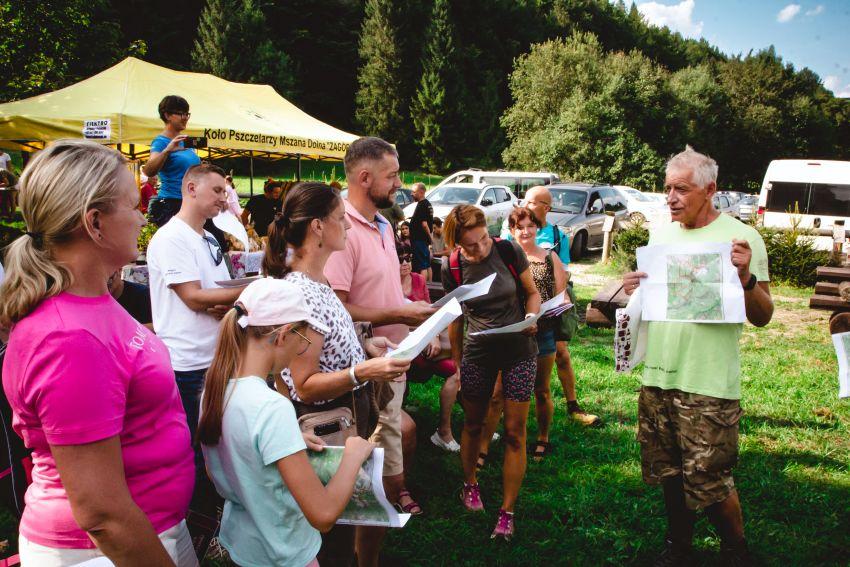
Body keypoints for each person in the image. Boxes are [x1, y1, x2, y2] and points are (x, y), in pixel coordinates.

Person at [0, 139, 196, 565]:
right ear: (95, 222)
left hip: (144, 532)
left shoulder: (92, 303)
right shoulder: (68, 339)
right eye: (133, 206)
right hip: (106, 551)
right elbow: (102, 514)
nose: (142, 217)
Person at [622, 146, 773, 566]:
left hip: (707, 381)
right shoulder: (661, 236)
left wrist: (746, 278)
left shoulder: (741, 239)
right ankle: (679, 548)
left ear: (710, 190)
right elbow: (655, 301)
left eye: (681, 189)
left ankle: (736, 553)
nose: (671, 198)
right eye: (667, 188)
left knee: (709, 479)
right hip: (658, 377)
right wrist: (635, 289)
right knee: (669, 472)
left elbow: (763, 316)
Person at [263, 180, 412, 566]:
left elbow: (328, 345)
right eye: (340, 218)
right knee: (334, 542)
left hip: (347, 419)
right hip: (327, 429)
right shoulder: (302, 293)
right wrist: (364, 370)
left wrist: (365, 346)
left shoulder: (319, 280)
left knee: (345, 529)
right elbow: (304, 385)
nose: (347, 225)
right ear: (317, 227)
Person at [199, 277, 377, 567]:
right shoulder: (273, 408)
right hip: (286, 552)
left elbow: (219, 469)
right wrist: (353, 456)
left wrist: (287, 442)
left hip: (244, 546)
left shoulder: (214, 391)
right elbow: (323, 515)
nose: (301, 351)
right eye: (303, 342)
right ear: (283, 336)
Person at [324, 137, 437, 566]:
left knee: (385, 458)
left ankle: (367, 546)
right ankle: (358, 550)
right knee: (373, 468)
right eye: (392, 176)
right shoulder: (341, 227)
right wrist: (398, 313)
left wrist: (417, 316)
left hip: (393, 359)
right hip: (363, 369)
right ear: (364, 177)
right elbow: (336, 306)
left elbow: (386, 291)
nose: (399, 183)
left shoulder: (386, 226)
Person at [442, 204, 541, 541]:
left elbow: (532, 292)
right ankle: (470, 484)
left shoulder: (508, 250)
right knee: (473, 424)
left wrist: (531, 317)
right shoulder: (453, 266)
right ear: (457, 243)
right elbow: (456, 318)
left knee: (515, 432)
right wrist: (457, 364)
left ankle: (507, 510)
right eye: (472, 245)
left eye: (484, 239)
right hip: (478, 353)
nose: (481, 248)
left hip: (519, 351)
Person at [146, 163, 245, 443]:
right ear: (191, 188)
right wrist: (252, 289)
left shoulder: (209, 237)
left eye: (224, 192)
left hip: (217, 358)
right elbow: (193, 297)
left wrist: (229, 307)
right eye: (217, 190)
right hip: (188, 364)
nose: (223, 199)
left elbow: (215, 292)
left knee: (218, 445)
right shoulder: (171, 237)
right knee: (197, 448)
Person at [502, 186, 600, 426]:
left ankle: (573, 405)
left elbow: (563, 272)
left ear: (545, 207)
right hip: (518, 316)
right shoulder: (512, 230)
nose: (525, 204)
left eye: (531, 202)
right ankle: (506, 413)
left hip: (549, 313)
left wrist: (556, 299)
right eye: (525, 201)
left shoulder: (558, 236)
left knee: (561, 354)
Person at [508, 207, 567, 462]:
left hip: (543, 332)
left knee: (541, 390)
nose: (525, 231)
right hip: (512, 334)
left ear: (537, 228)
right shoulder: (506, 258)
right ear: (512, 230)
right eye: (519, 227)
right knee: (505, 391)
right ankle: (509, 436)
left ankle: (543, 437)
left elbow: (561, 295)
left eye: (530, 226)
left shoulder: (550, 257)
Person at [398, 245, 461, 452]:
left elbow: (430, 313)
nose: (405, 263)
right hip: (403, 344)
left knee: (457, 370)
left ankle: (448, 429)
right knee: (457, 363)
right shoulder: (387, 284)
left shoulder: (418, 279)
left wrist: (433, 336)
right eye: (400, 259)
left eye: (408, 258)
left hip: (428, 341)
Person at [143, 95, 201, 228]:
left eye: (187, 114)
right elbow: (148, 171)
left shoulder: (186, 141)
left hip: (190, 202)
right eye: (181, 114)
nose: (185, 118)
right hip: (171, 204)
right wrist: (167, 150)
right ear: (167, 115)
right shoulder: (161, 142)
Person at [409, 182, 434, 280]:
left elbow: (424, 224)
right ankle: (430, 285)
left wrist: (430, 238)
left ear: (421, 192)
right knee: (427, 264)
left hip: (419, 239)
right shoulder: (428, 204)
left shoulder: (422, 205)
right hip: (423, 240)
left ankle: (424, 286)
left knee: (422, 266)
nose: (411, 194)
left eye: (414, 192)